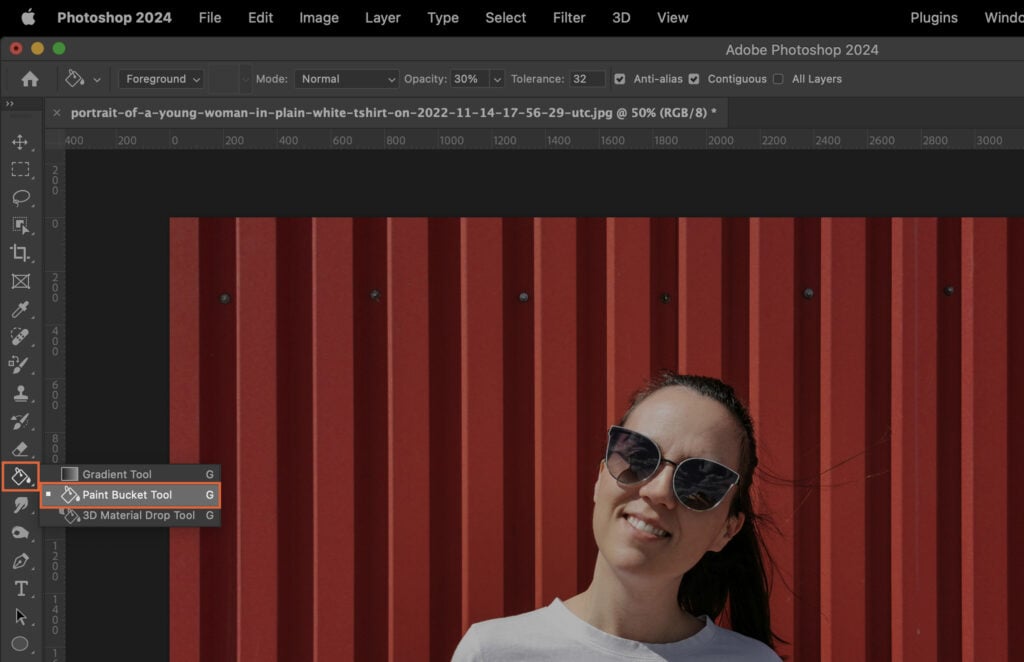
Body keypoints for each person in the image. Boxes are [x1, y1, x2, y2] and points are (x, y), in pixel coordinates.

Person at [452, 373, 781, 661]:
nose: (658, 492)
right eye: (639, 455)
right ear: (600, 478)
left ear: (726, 530)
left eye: (700, 480)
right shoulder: (493, 653)